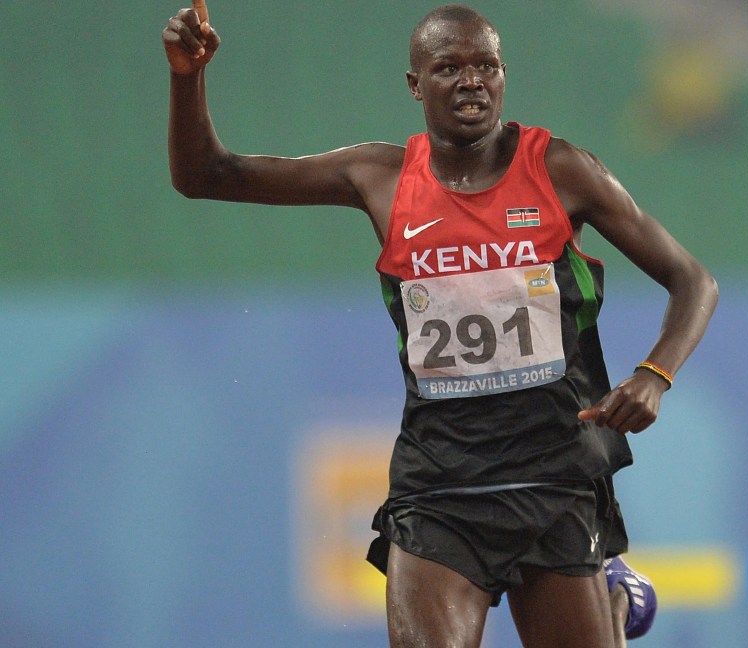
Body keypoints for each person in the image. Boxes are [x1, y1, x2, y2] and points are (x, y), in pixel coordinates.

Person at [163, 4, 717, 647]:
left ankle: (612, 601)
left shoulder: (560, 170)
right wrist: (187, 78)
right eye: (448, 67)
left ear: (504, 75)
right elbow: (205, 175)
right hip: (442, 486)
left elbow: (692, 280)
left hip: (556, 473)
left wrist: (656, 375)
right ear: (414, 84)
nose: (471, 81)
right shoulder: (380, 177)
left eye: (485, 65)